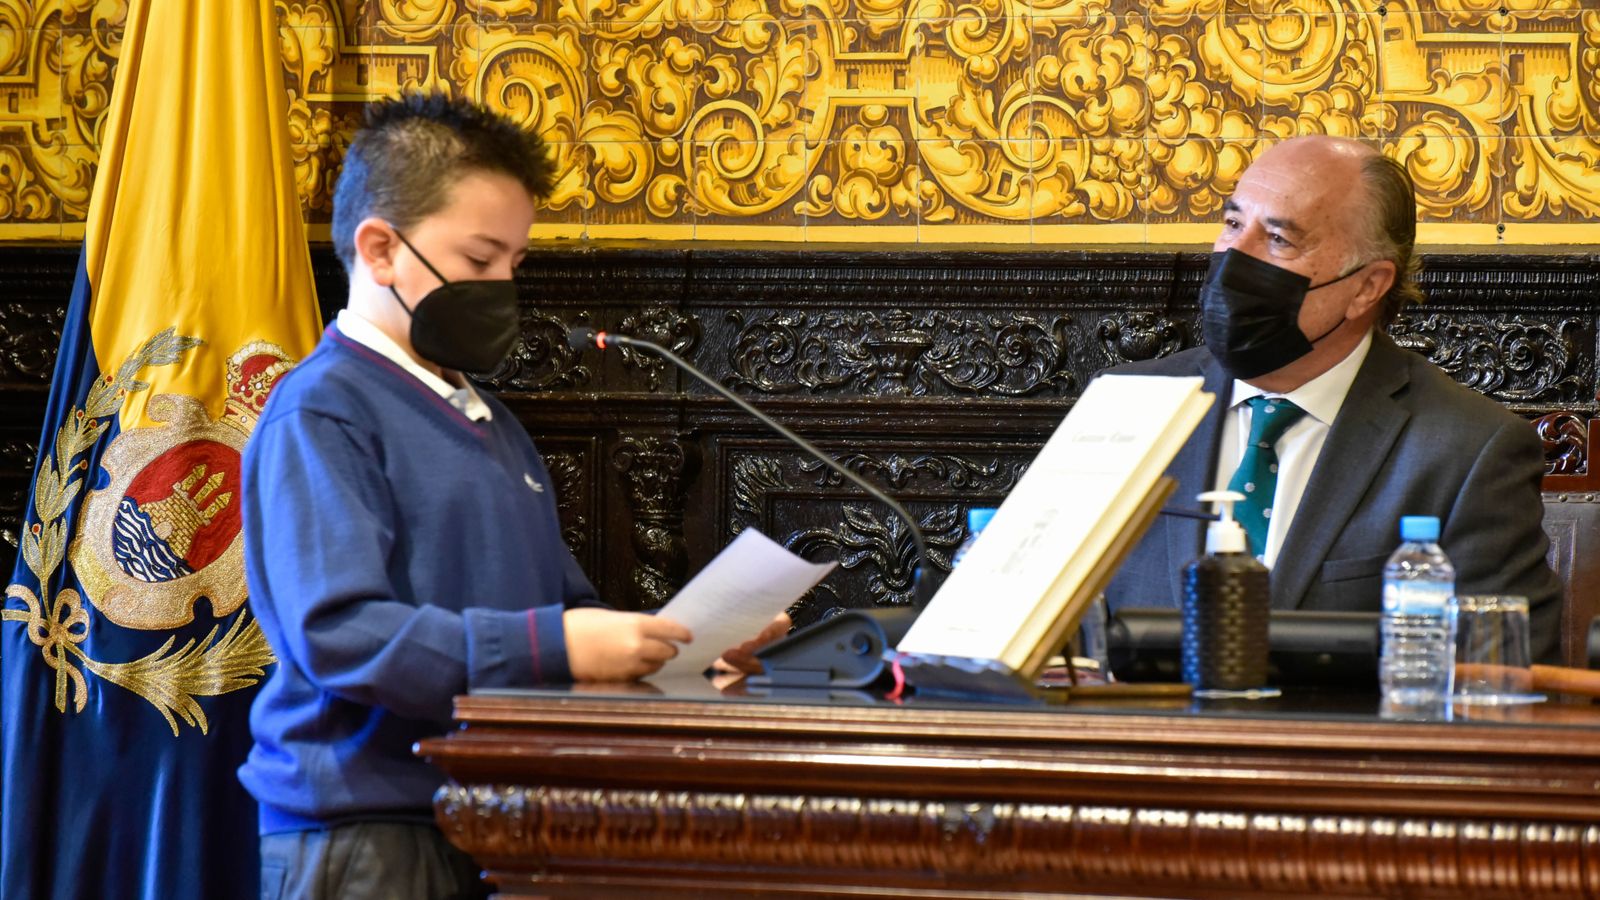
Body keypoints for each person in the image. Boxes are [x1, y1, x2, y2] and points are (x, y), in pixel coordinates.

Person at [239, 93, 785, 900]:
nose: (503, 286)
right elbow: (341, 636)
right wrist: (560, 647)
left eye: (515, 264)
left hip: (501, 809)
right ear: (381, 250)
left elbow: (562, 612)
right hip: (368, 830)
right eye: (479, 259)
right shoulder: (323, 411)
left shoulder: (489, 420)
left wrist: (681, 652)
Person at [1101, 135, 1561, 663]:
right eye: (1232, 223)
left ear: (1366, 287)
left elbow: (1502, 672)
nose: (1235, 257)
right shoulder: (1124, 407)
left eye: (1278, 238)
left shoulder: (1467, 450)